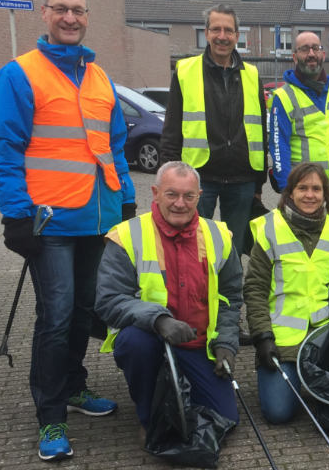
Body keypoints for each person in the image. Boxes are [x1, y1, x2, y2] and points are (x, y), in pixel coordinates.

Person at [0, 0, 136, 461]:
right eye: (61, 9)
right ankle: (50, 415)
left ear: (87, 17)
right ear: (45, 14)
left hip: (97, 219)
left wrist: (127, 199)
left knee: (83, 312)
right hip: (49, 224)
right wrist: (15, 215)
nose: (70, 18)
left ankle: (73, 387)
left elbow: (114, 146)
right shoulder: (19, 74)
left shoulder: (100, 78)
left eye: (78, 10)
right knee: (55, 317)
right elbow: (5, 149)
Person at [95, 162, 243, 439]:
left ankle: (177, 388)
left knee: (225, 420)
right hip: (153, 343)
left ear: (199, 196)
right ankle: (149, 418)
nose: (180, 203)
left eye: (189, 196)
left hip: (197, 346)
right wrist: (159, 320)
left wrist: (226, 342)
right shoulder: (127, 235)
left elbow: (230, 295)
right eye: (171, 194)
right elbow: (109, 300)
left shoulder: (218, 236)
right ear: (155, 193)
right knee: (133, 342)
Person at [244, 163, 329, 423]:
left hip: (325, 334)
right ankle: (299, 376)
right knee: (278, 413)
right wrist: (262, 337)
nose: (310, 195)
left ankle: (308, 377)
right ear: (290, 193)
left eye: (316, 189)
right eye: (302, 188)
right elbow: (255, 289)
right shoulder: (269, 229)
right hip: (282, 339)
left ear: (326, 193)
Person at [160, 4, 267, 259]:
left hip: (242, 179)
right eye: (216, 29)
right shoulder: (185, 71)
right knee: (193, 246)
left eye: (228, 30)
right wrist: (168, 179)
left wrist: (259, 183)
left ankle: (230, 286)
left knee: (233, 250)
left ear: (237, 36)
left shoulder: (252, 74)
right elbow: (171, 130)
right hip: (198, 178)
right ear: (206, 33)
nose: (222, 36)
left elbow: (261, 132)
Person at [269, 31, 329, 192]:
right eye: (304, 49)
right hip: (305, 191)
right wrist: (286, 189)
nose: (311, 54)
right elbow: (279, 148)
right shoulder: (283, 97)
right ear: (295, 57)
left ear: (323, 54)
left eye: (315, 48)